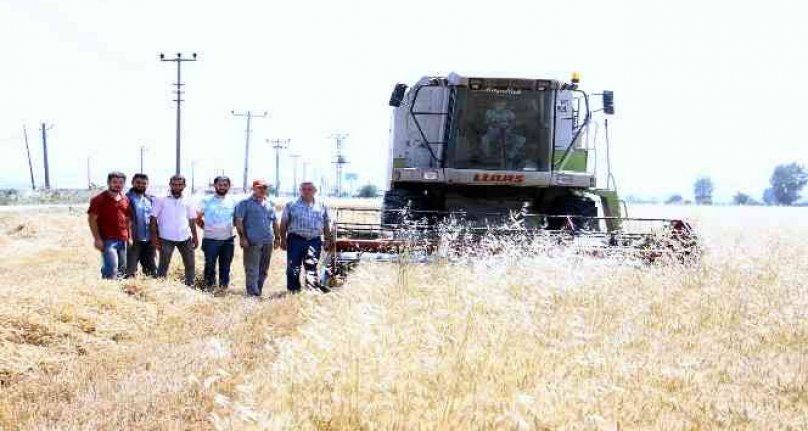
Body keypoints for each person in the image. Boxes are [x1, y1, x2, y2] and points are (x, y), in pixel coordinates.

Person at [279, 181, 333, 292]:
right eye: (304, 189)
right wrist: (283, 239)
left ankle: (311, 290)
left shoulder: (322, 205)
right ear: (300, 190)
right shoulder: (291, 204)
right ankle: (294, 290)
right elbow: (283, 222)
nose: (306, 191)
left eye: (309, 189)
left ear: (315, 191)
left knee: (312, 266)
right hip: (295, 240)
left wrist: (328, 239)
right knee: (293, 267)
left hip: (314, 240)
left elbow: (326, 223)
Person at [150, 174, 199, 286]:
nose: (177, 187)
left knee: (190, 264)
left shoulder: (188, 200)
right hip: (166, 238)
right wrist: (154, 237)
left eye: (180, 184)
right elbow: (153, 219)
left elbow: (192, 220)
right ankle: (160, 286)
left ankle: (190, 286)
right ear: (170, 184)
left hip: (185, 237)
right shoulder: (160, 199)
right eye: (174, 184)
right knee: (163, 264)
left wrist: (195, 237)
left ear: (184, 185)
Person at [234, 179, 279, 297]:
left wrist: (277, 237)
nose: (262, 190)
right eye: (259, 187)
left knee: (263, 270)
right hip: (252, 241)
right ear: (253, 188)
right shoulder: (244, 203)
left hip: (267, 241)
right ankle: (252, 294)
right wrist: (242, 238)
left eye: (264, 187)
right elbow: (239, 221)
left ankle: (258, 291)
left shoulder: (270, 204)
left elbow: (274, 222)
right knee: (252, 269)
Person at [87, 171, 131, 280]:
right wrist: (97, 239)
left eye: (121, 182)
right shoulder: (99, 199)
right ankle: (107, 289)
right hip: (107, 240)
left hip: (123, 239)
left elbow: (128, 220)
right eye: (115, 182)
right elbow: (92, 219)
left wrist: (130, 237)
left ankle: (118, 292)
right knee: (111, 267)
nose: (118, 185)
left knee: (122, 268)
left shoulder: (125, 199)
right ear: (108, 182)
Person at [197, 176, 237, 290]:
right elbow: (198, 217)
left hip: (228, 240)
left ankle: (223, 288)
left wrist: (228, 227)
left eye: (225, 185)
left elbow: (236, 219)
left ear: (229, 186)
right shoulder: (206, 200)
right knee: (210, 265)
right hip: (210, 240)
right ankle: (210, 288)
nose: (222, 187)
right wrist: (205, 227)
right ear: (214, 185)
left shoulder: (233, 201)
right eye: (220, 184)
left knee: (225, 266)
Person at [125, 173, 157, 278]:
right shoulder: (126, 199)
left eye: (144, 183)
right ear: (132, 183)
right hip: (133, 240)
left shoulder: (150, 199)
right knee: (130, 270)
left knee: (151, 270)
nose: (141, 185)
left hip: (149, 240)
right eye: (138, 182)